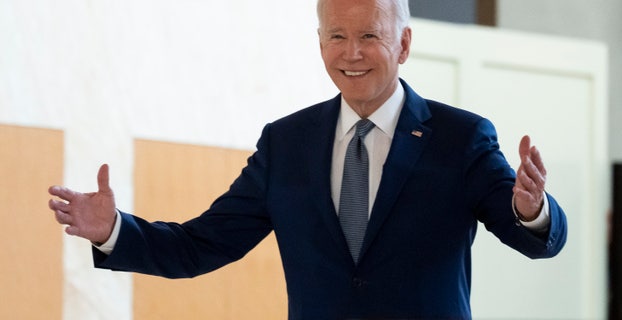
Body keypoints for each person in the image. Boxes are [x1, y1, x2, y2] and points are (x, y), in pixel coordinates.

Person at [48, 0, 568, 318]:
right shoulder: (286, 144)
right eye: (336, 37)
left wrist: (531, 210)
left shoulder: (461, 138)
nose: (352, 53)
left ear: (404, 43)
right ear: (320, 43)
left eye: (369, 35)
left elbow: (535, 241)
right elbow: (199, 246)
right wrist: (113, 229)